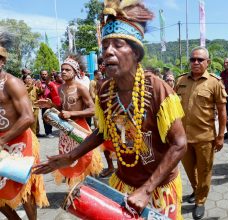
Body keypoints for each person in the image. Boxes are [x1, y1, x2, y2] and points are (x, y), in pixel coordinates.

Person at [34, 1, 187, 219]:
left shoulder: (157, 88)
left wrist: (146, 189)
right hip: (123, 185)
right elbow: (104, 131)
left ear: (135, 53)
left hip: (158, 189)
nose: (108, 52)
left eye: (118, 45)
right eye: (105, 47)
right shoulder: (106, 90)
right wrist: (71, 155)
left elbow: (180, 144)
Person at [0, 28, 49, 220]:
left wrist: (4, 140)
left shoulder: (12, 83)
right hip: (2, 141)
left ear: (2, 61)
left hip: (19, 139)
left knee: (23, 186)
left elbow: (28, 117)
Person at [175, 46, 227, 219]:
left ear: (208, 62)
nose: (196, 62)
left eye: (200, 59)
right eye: (193, 59)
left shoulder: (215, 82)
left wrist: (220, 136)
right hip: (183, 137)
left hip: (205, 137)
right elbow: (172, 107)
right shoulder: (180, 80)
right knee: (189, 170)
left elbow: (222, 111)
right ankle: (197, 190)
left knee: (204, 171)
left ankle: (200, 201)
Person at [37, 54, 103, 187]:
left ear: (76, 72)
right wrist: (51, 106)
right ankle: (71, 190)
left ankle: (88, 190)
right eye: (62, 69)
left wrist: (72, 113)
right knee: (66, 159)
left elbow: (93, 110)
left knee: (85, 160)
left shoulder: (81, 88)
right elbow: (62, 109)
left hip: (79, 128)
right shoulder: (59, 88)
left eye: (67, 70)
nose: (63, 72)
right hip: (64, 130)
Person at [37, 70, 54, 138]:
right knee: (45, 118)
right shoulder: (38, 83)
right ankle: (48, 132)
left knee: (52, 118)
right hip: (43, 103)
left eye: (45, 74)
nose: (44, 75)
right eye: (43, 74)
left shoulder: (51, 82)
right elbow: (36, 92)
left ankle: (50, 131)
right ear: (40, 75)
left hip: (51, 103)